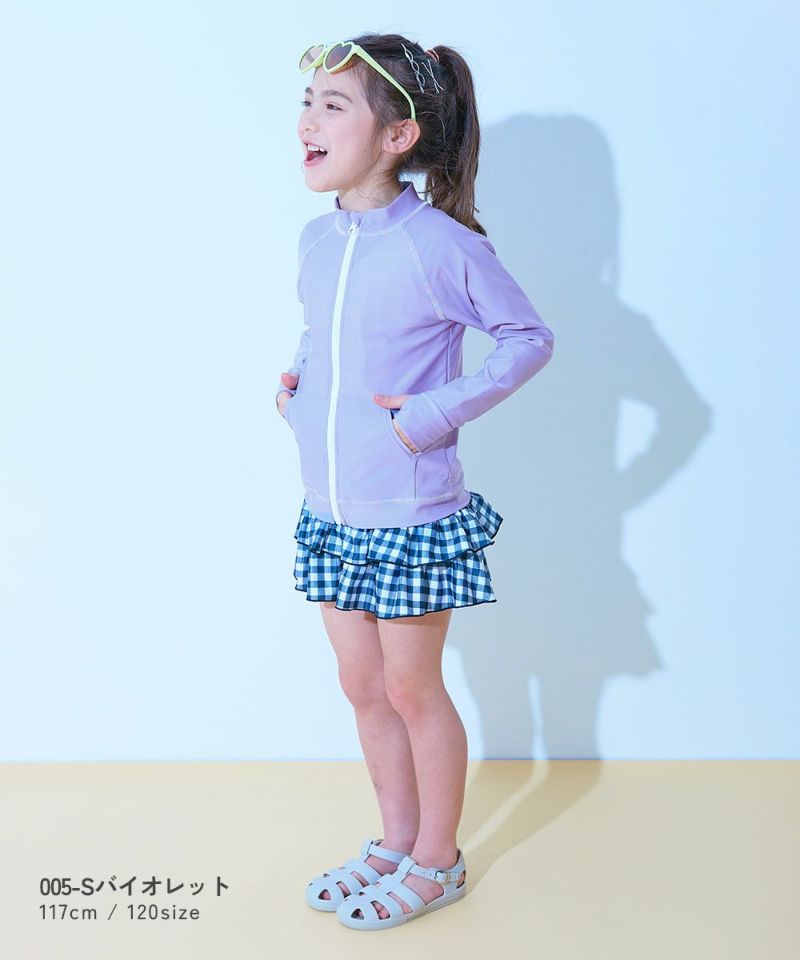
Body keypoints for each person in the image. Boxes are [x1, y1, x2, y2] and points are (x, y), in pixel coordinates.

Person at [276, 34, 555, 930]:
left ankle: (439, 861)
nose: (307, 121)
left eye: (333, 105)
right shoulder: (318, 241)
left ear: (398, 136)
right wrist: (297, 381)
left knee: (410, 690)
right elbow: (327, 331)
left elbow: (527, 339)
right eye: (308, 102)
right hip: (330, 510)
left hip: (409, 512)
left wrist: (432, 414)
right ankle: (397, 841)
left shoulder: (440, 244)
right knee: (363, 689)